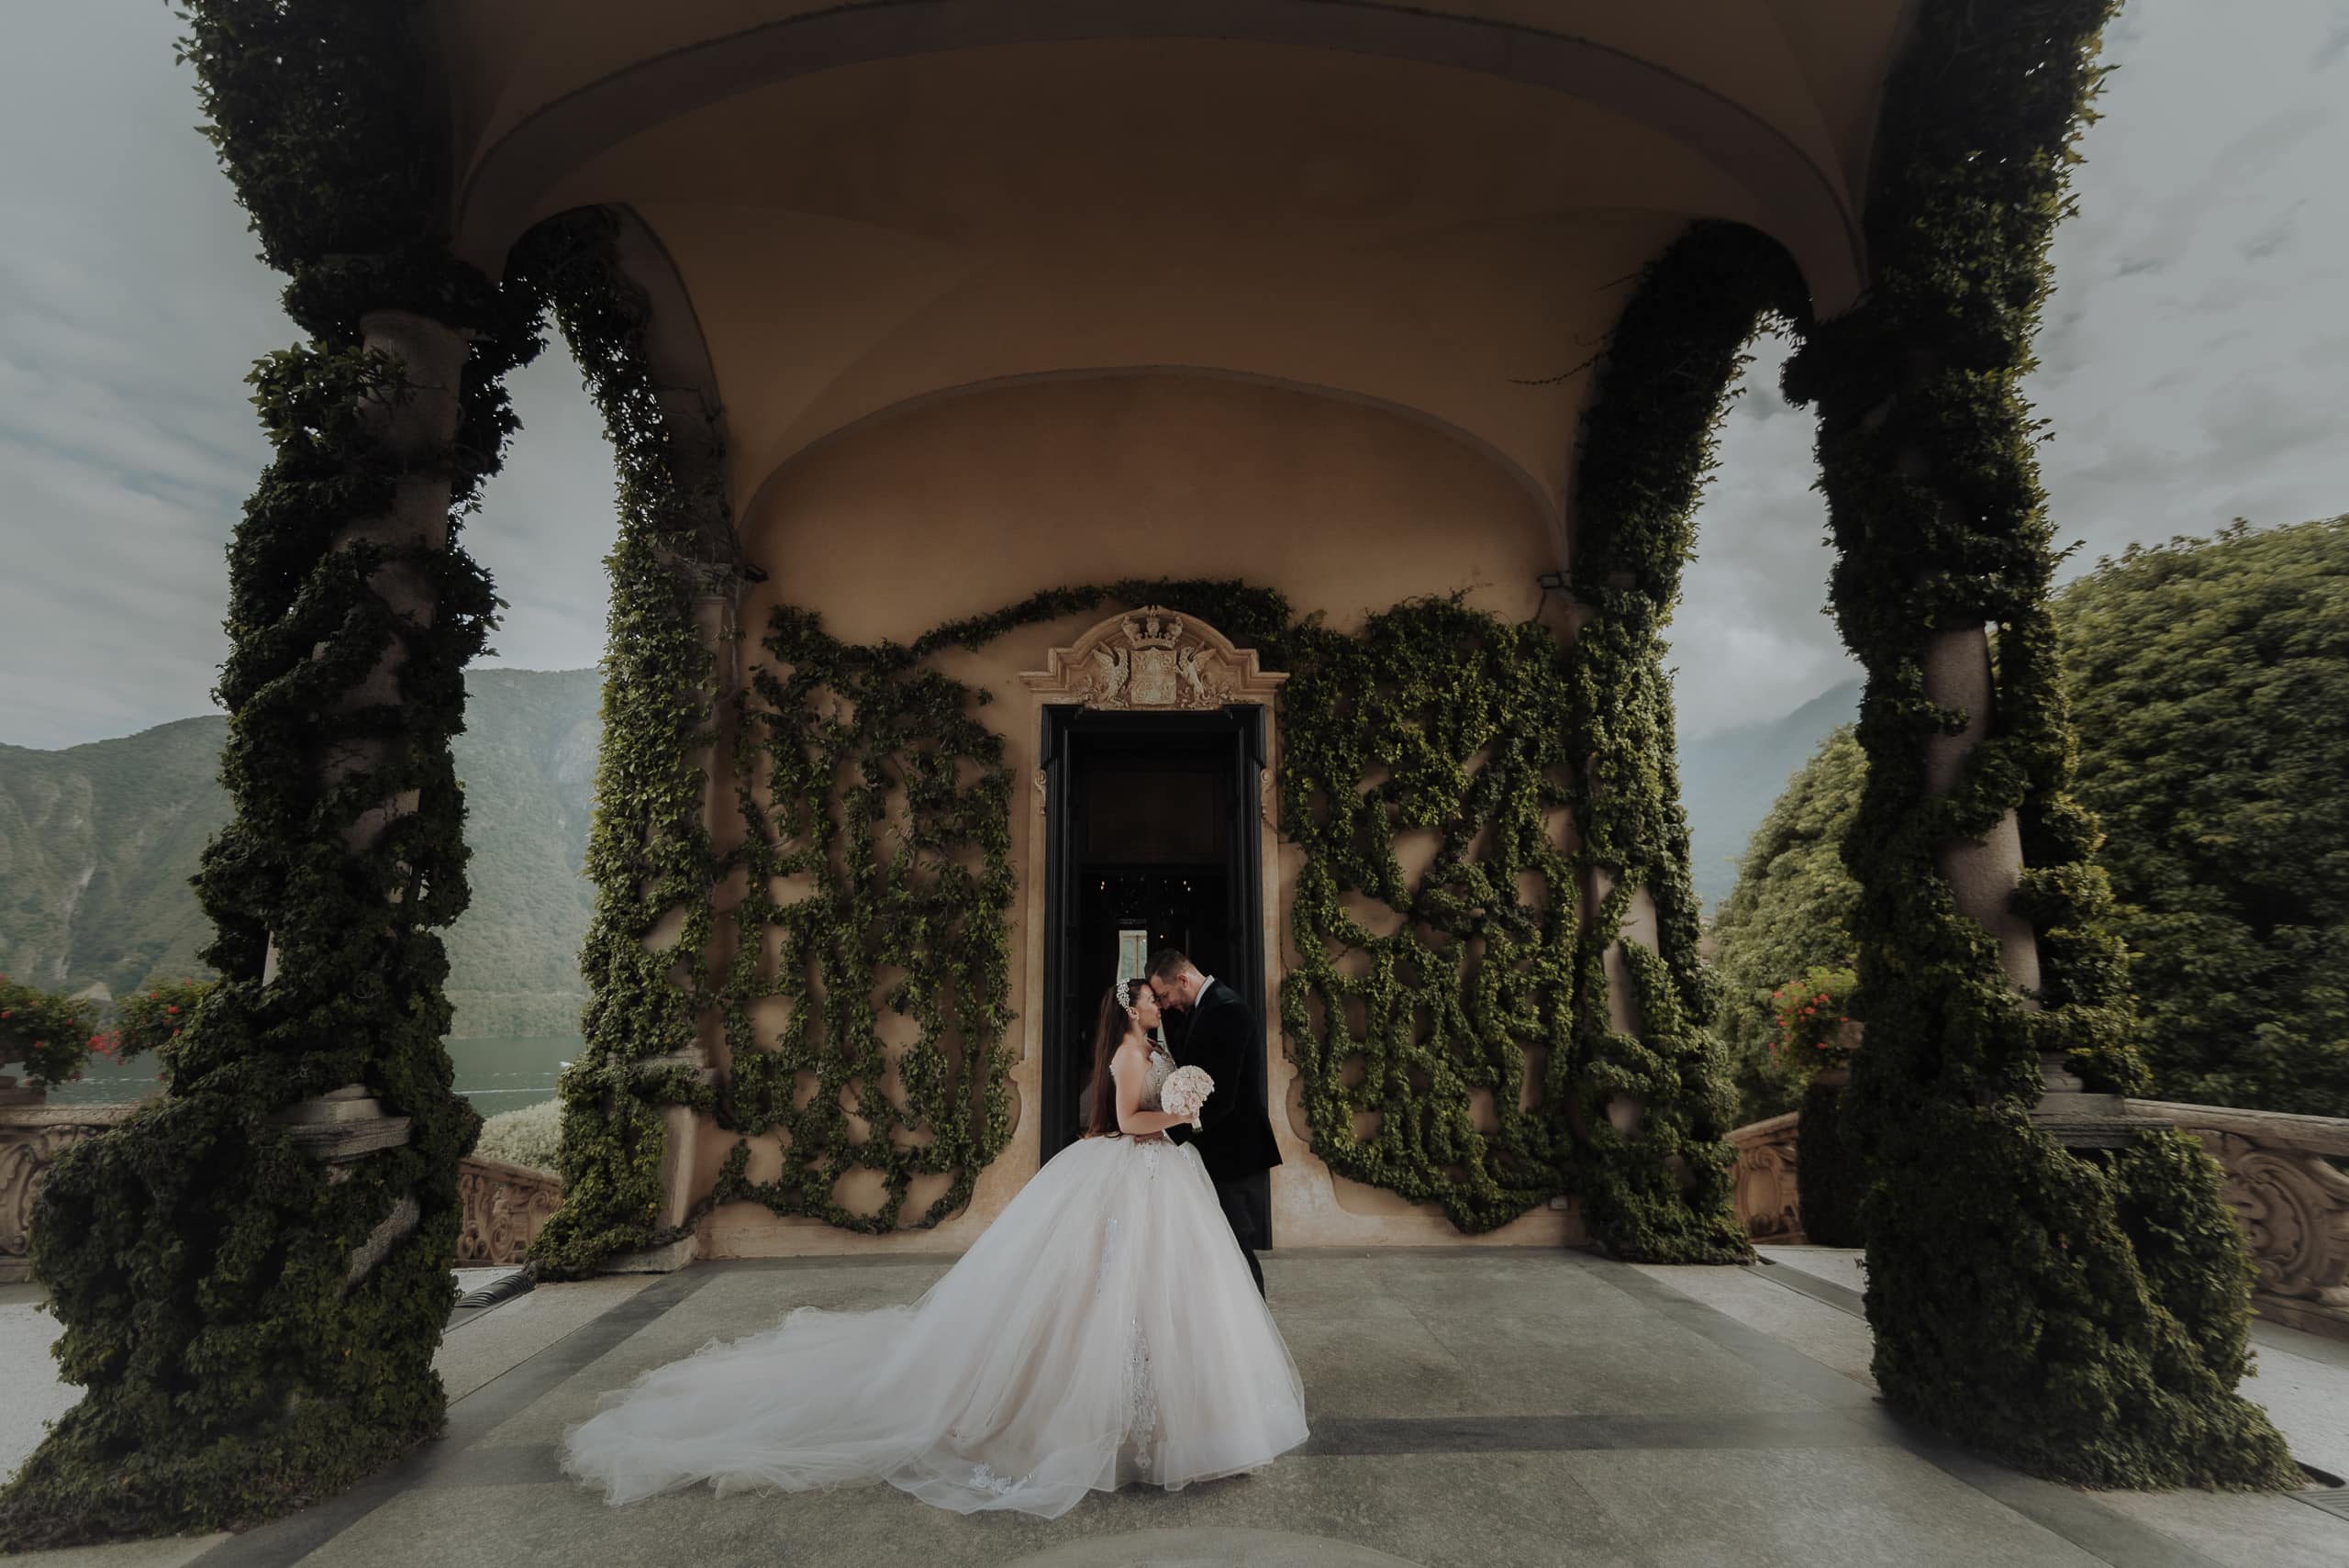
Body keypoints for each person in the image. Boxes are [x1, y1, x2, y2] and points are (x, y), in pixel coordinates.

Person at [560, 977, 1308, 1519]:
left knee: (1167, 1292)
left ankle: (1168, 1415)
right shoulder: (1126, 1054)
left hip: (1161, 1181)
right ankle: (1098, 1418)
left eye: (1155, 998)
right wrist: (1177, 1118)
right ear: (1129, 1006)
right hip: (1132, 1169)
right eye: (1147, 998)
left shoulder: (1154, 1045)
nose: (1156, 1004)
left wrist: (1183, 1103)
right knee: (1101, 1290)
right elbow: (1119, 1121)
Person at [1145, 949, 1282, 1298]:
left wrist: (1166, 1132)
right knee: (1218, 1247)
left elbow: (1220, 1097)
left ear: (1183, 979)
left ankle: (1258, 1333)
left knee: (1236, 1245)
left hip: (1234, 1152)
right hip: (1217, 1150)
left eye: (1164, 996)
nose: (1165, 1005)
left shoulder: (1226, 1011)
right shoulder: (1202, 1009)